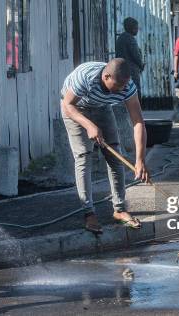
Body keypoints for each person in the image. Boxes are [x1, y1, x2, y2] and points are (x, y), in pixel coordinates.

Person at [61, 58, 150, 234]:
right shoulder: (85, 77)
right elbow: (67, 105)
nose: (122, 90)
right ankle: (89, 213)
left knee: (115, 155)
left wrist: (140, 160)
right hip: (76, 108)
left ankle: (119, 209)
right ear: (106, 76)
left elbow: (138, 122)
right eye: (117, 87)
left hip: (102, 107)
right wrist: (89, 125)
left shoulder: (127, 85)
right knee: (84, 157)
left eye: (124, 86)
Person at [116, 17, 144, 101]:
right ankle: (137, 110)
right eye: (136, 28)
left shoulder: (120, 38)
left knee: (124, 90)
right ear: (131, 28)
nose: (137, 30)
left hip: (121, 69)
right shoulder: (130, 39)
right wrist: (141, 65)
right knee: (135, 90)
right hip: (131, 70)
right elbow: (136, 55)